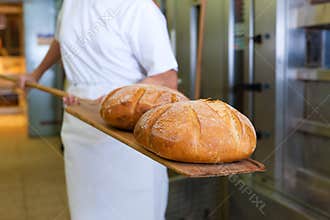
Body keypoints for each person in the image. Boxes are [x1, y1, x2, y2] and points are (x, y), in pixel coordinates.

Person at [18, 0, 178, 219]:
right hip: (79, 127)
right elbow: (61, 39)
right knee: (87, 211)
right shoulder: (71, 3)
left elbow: (166, 78)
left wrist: (120, 96)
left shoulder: (138, 7)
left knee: (134, 209)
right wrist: (36, 73)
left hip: (127, 136)